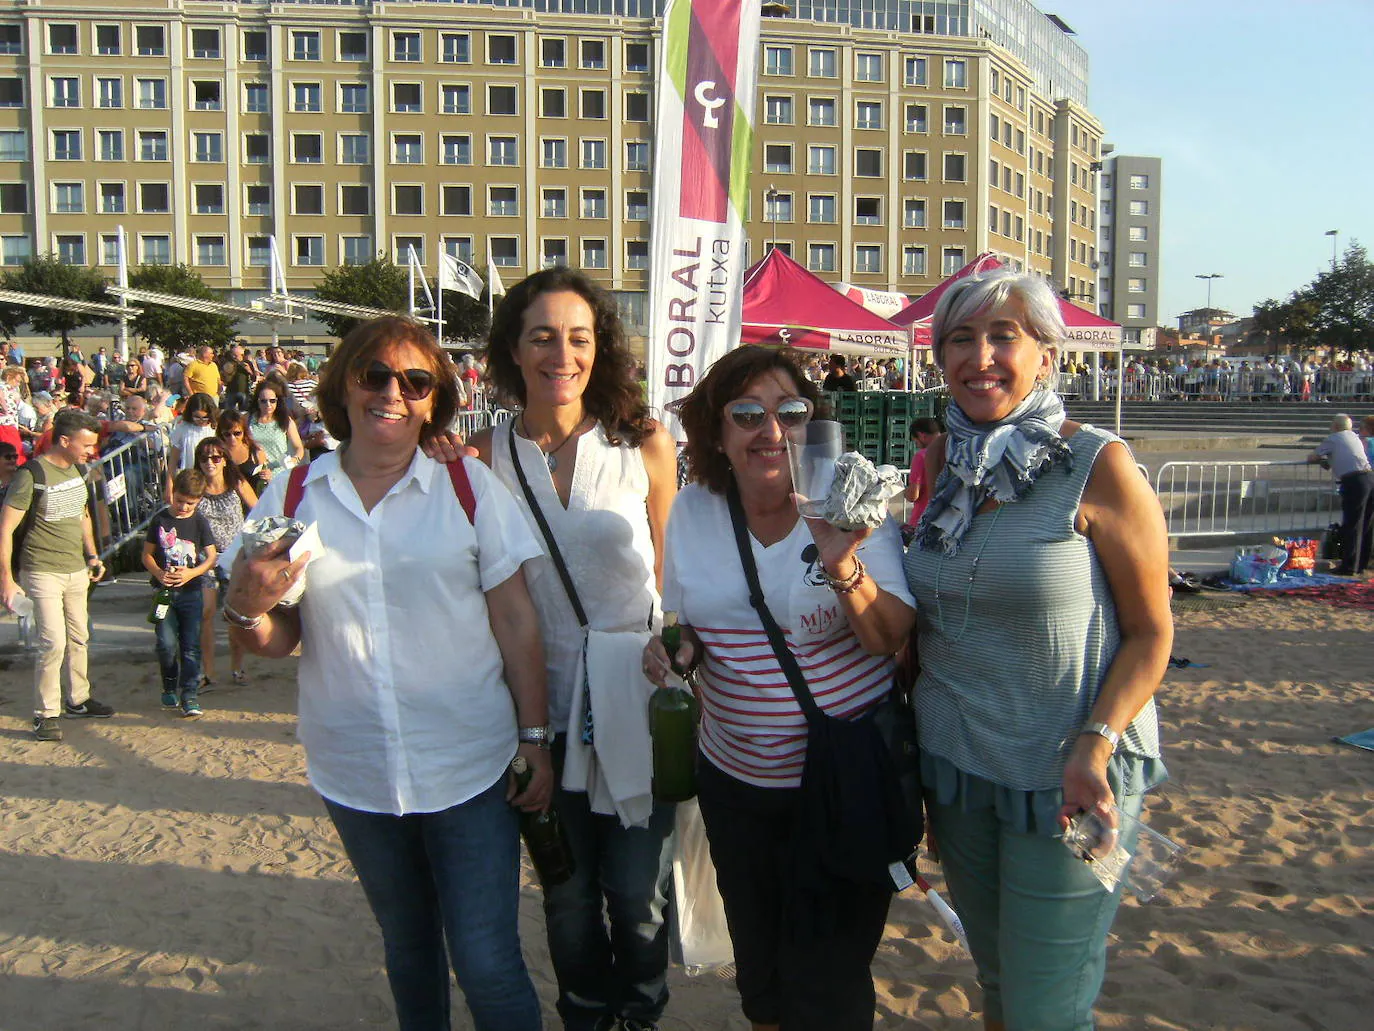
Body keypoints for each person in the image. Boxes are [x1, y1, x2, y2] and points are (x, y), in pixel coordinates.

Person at [221, 316, 549, 1031]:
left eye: (415, 381)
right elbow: (278, 637)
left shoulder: (466, 485)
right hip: (357, 768)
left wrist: (535, 737)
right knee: (407, 948)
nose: (391, 393)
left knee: (487, 958)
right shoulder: (293, 492)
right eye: (375, 374)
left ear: (435, 400)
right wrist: (246, 610)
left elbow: (518, 620)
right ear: (344, 383)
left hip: (469, 762)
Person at [904, 269, 1171, 1030]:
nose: (979, 355)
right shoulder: (943, 465)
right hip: (958, 771)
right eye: (960, 338)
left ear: (1047, 356)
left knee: (1043, 1009)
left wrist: (1097, 740)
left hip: (1072, 774)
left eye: (1003, 335)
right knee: (997, 983)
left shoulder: (1098, 465)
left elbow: (1153, 632)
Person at [641, 346, 916, 1031]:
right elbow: (691, 627)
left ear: (811, 421)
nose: (770, 429)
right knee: (761, 971)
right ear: (717, 433)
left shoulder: (850, 500)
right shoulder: (695, 512)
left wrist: (842, 561)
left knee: (826, 979)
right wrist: (675, 649)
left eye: (790, 410)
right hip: (735, 786)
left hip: (842, 782)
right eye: (746, 413)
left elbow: (890, 638)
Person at [471, 268, 679, 1031]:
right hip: (536, 709)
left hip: (632, 703)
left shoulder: (643, 444)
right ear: (514, 351)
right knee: (565, 894)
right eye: (543, 336)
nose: (563, 353)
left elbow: (672, 576)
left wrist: (673, 653)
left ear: (602, 349)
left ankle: (642, 1012)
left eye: (580, 337)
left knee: (635, 893)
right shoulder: (481, 456)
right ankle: (586, 1014)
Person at [0, 409, 114, 742]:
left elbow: (81, 516)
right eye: (86, 444)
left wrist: (92, 554)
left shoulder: (79, 471)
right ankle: (45, 713)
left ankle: (78, 698)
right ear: (64, 440)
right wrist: (7, 580)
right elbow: (5, 529)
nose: (91, 451)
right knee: (53, 642)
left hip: (76, 569)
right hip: (41, 570)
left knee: (80, 637)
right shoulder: (31, 474)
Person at [143, 468, 218, 718]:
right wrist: (157, 573)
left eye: (190, 503)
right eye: (179, 501)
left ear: (199, 501)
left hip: (191, 593)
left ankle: (189, 695)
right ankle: (169, 684)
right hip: (163, 594)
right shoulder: (160, 519)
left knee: (190, 646)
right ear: (172, 494)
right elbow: (146, 555)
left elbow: (211, 556)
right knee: (165, 644)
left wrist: (192, 573)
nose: (184, 507)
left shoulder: (199, 522)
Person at [193, 437, 257, 690]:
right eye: (204, 458)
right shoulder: (195, 487)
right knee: (205, 614)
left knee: (235, 616)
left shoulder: (237, 482)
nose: (210, 462)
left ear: (224, 460)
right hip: (204, 559)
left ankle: (237, 666)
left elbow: (259, 509)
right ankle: (208, 671)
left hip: (234, 556)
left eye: (215, 457)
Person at [1308, 414, 1374, 576]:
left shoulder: (1334, 438)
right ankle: (1362, 563)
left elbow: (1313, 456)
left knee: (1352, 524)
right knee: (1366, 524)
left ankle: (1349, 566)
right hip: (1369, 478)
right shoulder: (1355, 437)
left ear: (1335, 426)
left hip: (1354, 482)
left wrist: (1321, 459)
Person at [247, 379, 304, 477]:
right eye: (263, 401)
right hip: (255, 474)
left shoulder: (285, 420)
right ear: (257, 401)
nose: (268, 405)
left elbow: (299, 448)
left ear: (278, 401)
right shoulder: (248, 419)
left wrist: (294, 460)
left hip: (280, 474)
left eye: (272, 401)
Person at [167, 393, 219, 494]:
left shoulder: (216, 428)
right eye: (197, 417)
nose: (201, 421)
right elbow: (173, 460)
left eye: (205, 417)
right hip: (191, 479)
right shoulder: (183, 428)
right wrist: (169, 485)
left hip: (213, 477)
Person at [901, 416, 941, 541]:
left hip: (921, 521)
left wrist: (904, 491)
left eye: (916, 441)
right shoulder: (951, 452)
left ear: (921, 435)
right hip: (946, 521)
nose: (917, 446)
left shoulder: (922, 456)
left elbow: (914, 495)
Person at [220, 343, 257, 413]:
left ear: (242, 355)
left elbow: (254, 378)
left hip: (244, 392)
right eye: (232, 354)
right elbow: (223, 378)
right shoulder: (228, 363)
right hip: (231, 391)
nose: (233, 357)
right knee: (229, 412)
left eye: (235, 355)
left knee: (244, 412)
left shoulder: (247, 363)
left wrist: (249, 370)